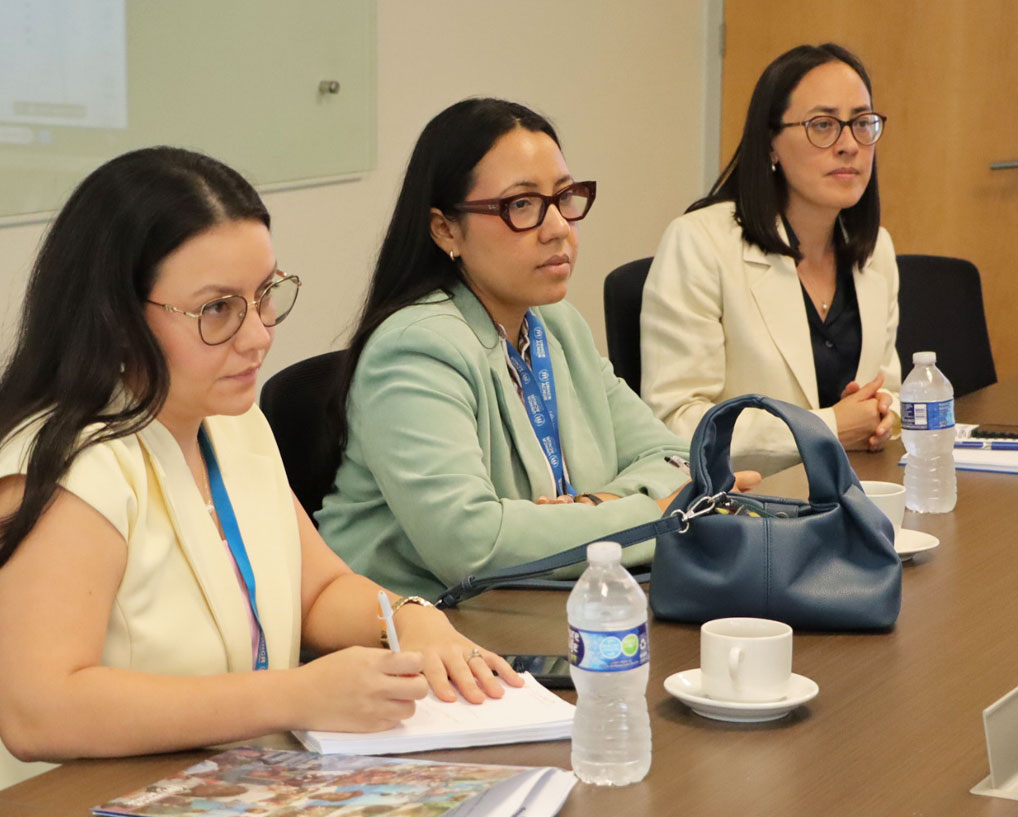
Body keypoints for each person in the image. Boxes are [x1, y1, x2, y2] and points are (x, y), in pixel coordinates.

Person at [0, 147, 520, 817]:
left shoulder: (229, 421)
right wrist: (294, 695)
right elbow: (40, 711)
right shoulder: (62, 472)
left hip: (190, 798)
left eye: (265, 295)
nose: (258, 335)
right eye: (218, 309)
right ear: (117, 315)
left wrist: (408, 618)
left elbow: (316, 590)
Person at [316, 99, 752, 600]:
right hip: (427, 626)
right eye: (521, 205)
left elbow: (674, 457)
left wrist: (593, 504)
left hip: (544, 603)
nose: (559, 227)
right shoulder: (415, 350)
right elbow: (473, 546)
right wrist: (656, 515)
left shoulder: (557, 325)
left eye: (565, 197)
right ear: (445, 228)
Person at [640, 43, 900, 475]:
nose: (849, 145)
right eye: (823, 125)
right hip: (749, 498)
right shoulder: (701, 243)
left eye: (861, 123)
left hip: (857, 491)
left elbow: (887, 389)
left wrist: (883, 417)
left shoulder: (876, 250)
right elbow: (676, 424)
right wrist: (827, 428)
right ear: (771, 145)